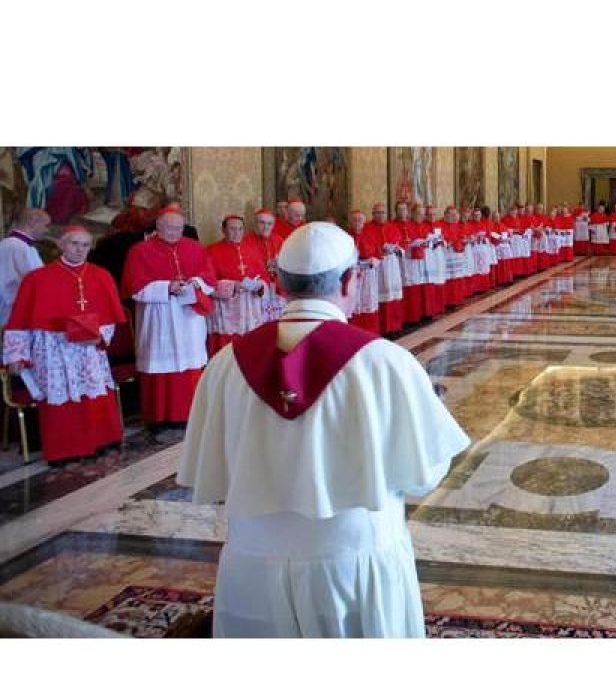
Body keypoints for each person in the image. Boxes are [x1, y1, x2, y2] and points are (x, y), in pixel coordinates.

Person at [177, 221, 471, 637]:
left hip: (252, 562)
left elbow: (210, 470)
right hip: (353, 560)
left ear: (278, 285)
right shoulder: (384, 362)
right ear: (350, 280)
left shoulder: (225, 364)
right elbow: (425, 475)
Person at [3, 227, 125, 465]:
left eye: (85, 245)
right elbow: (19, 321)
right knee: (61, 397)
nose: (80, 250)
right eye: (74, 244)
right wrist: (16, 354)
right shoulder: (37, 279)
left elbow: (110, 319)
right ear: (61, 244)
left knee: (93, 395)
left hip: (90, 350)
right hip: (53, 349)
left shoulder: (101, 275)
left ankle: (100, 442)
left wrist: (100, 338)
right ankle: (64, 450)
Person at [122, 204, 216, 430]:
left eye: (179, 228)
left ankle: (189, 413)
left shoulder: (194, 247)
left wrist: (195, 283)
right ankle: (159, 417)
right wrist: (168, 287)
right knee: (160, 365)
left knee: (190, 367)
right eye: (170, 228)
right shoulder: (140, 251)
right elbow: (134, 287)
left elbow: (209, 278)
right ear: (158, 227)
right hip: (159, 317)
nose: (175, 233)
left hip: (188, 317)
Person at [206, 214, 269, 354]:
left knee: (250, 350)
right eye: (233, 229)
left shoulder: (253, 250)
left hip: (250, 310)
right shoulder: (211, 251)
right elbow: (207, 284)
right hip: (226, 311)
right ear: (223, 230)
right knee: (227, 351)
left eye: (240, 229)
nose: (237, 232)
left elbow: (264, 278)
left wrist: (259, 286)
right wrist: (232, 286)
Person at [0, 208, 49, 326]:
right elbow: (37, 280)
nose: (47, 230)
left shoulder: (15, 244)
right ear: (33, 223)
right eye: (45, 225)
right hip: (10, 310)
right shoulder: (18, 246)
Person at [367, 203, 406, 335]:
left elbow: (400, 245)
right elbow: (368, 246)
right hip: (378, 266)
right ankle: (384, 328)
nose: (381, 215)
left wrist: (397, 249)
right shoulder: (368, 228)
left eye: (383, 212)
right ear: (373, 214)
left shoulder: (392, 227)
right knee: (381, 296)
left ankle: (395, 326)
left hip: (392, 264)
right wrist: (380, 249)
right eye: (378, 212)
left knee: (393, 295)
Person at [244, 208, 286, 323]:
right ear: (255, 223)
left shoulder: (279, 241)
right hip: (258, 292)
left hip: (277, 290)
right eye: (262, 223)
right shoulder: (245, 241)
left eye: (269, 223)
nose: (266, 227)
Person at [346, 209, 382, 333]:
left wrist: (373, 261)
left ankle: (369, 331)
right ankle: (354, 331)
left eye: (360, 220)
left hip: (368, 275)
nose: (357, 223)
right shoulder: (345, 237)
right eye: (354, 220)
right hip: (351, 276)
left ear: (364, 222)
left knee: (368, 301)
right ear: (350, 222)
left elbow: (379, 255)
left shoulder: (370, 236)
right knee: (353, 303)